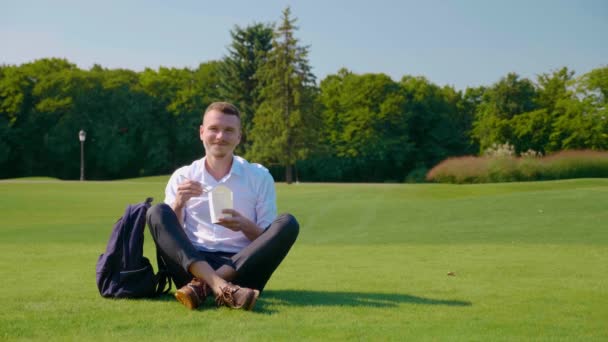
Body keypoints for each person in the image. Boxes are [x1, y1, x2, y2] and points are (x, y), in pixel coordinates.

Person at [146, 102, 299, 311]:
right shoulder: (183, 176)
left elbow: (267, 240)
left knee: (288, 223)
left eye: (229, 131)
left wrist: (245, 225)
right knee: (158, 211)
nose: (220, 136)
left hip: (242, 267)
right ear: (202, 132)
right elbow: (173, 240)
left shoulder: (259, 176)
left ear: (239, 136)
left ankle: (202, 288)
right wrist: (179, 205)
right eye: (214, 129)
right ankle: (220, 286)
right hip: (192, 264)